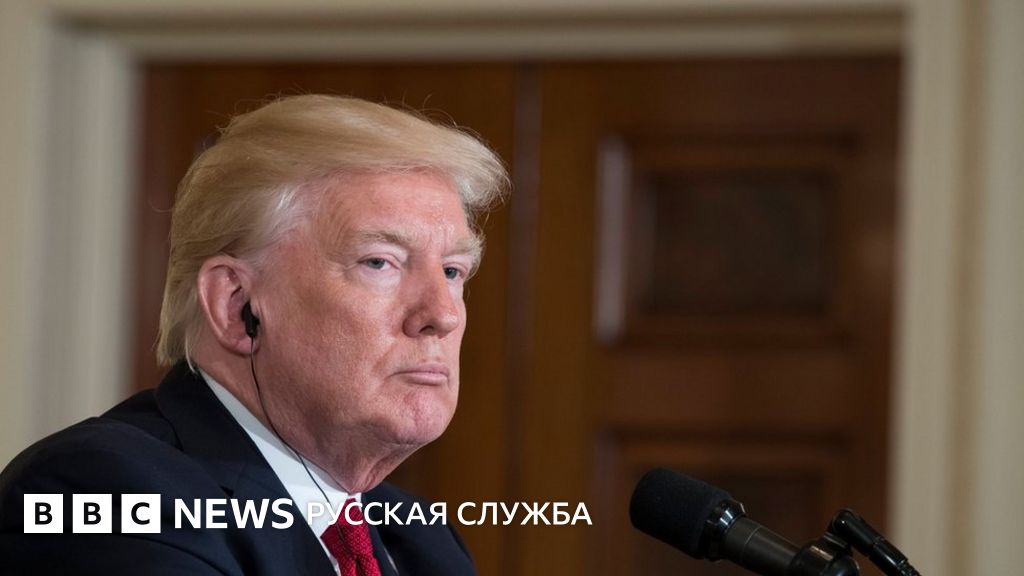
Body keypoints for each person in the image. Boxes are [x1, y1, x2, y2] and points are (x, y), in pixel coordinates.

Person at [0, 94, 508, 575]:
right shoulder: (104, 492)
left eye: (452, 271)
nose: (442, 315)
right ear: (236, 304)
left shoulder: (418, 537)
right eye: (380, 262)